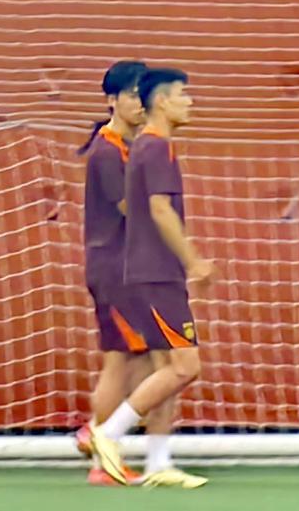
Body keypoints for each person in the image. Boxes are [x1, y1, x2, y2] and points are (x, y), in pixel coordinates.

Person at [90, 68, 215, 489]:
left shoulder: (143, 146)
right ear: (161, 101)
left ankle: (159, 462)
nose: (190, 101)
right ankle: (108, 435)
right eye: (183, 94)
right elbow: (159, 210)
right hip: (155, 275)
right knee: (184, 366)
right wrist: (194, 262)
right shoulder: (154, 147)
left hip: (151, 272)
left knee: (165, 368)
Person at [75, 61, 175, 486]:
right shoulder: (109, 152)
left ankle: (113, 445)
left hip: (131, 268)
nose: (140, 103)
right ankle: (102, 457)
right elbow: (132, 209)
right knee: (124, 362)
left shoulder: (133, 147)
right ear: (112, 100)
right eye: (133, 95)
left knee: (138, 359)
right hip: (117, 270)